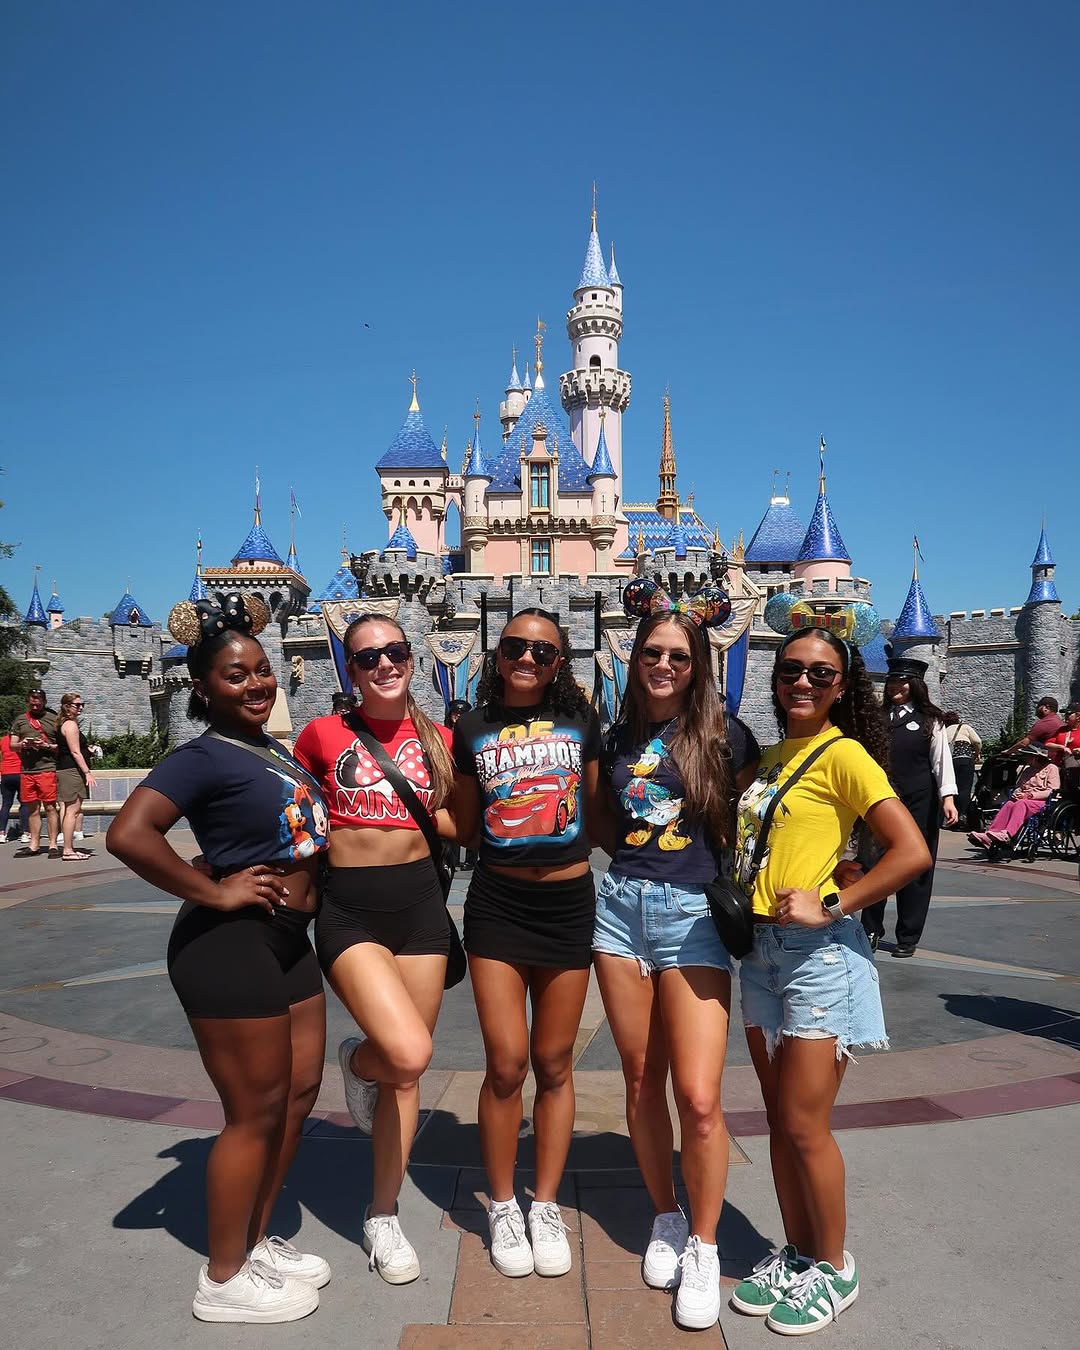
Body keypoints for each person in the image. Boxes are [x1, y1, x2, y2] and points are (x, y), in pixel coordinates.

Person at [107, 594, 330, 1324]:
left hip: (287, 940)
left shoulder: (269, 750)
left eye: (262, 670)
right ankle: (223, 1278)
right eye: (236, 676)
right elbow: (129, 834)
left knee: (297, 1096)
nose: (257, 684)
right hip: (231, 945)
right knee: (253, 1112)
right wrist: (215, 890)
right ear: (203, 689)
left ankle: (254, 1238)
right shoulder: (200, 755)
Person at [729, 626, 929, 1336]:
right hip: (761, 953)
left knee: (806, 1124)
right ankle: (799, 1250)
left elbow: (911, 850)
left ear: (843, 686)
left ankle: (835, 1266)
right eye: (792, 669)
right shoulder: (770, 757)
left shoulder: (843, 754)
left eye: (821, 673)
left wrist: (835, 901)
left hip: (819, 958)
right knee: (779, 1120)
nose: (803, 683)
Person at [591, 585, 760, 1331]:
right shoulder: (615, 737)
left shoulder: (725, 737)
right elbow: (602, 821)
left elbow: (753, 819)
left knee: (697, 1095)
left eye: (679, 658)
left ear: (698, 668)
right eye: (653, 654)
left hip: (693, 919)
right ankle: (666, 1213)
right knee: (640, 1077)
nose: (664, 665)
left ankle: (704, 1244)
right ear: (635, 660)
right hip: (620, 914)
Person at [292, 614, 456, 1287]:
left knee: (406, 1076)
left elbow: (462, 821)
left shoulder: (440, 738)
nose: (384, 664)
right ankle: (358, 1062)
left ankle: (382, 1212)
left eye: (395, 652)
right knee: (407, 1052)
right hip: (350, 912)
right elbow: (291, 813)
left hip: (421, 910)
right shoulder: (320, 735)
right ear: (350, 671)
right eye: (367, 657)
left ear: (411, 659)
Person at [450, 608, 601, 1281]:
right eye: (515, 647)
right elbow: (462, 820)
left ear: (559, 662)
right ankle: (504, 1204)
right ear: (497, 652)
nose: (528, 659)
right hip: (499, 904)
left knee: (555, 1061)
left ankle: (545, 1203)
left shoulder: (581, 722)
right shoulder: (472, 727)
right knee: (507, 1063)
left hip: (567, 905)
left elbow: (594, 811)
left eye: (543, 651)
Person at [860, 656, 957, 957]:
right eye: (892, 682)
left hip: (919, 801)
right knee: (873, 864)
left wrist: (948, 797)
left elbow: (941, 761)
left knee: (915, 867)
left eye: (902, 682)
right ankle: (870, 929)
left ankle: (908, 935)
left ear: (914, 685)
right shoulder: (877, 718)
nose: (895, 688)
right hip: (881, 800)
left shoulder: (931, 721)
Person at [968, 744, 1060, 850]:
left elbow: (1052, 790)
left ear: (1035, 757)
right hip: (1024, 799)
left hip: (1042, 802)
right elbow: (1018, 786)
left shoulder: (1051, 768)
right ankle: (991, 833)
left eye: (1028, 756)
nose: (1025, 758)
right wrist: (1017, 793)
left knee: (1021, 804)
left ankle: (1007, 834)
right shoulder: (1027, 771)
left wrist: (1029, 795)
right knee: (1009, 804)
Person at [10, 689, 60, 858]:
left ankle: (53, 845)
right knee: (32, 809)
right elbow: (12, 745)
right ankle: (34, 845)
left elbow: (62, 747)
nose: (35, 706)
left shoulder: (53, 719)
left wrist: (46, 746)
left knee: (50, 807)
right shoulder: (21, 720)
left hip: (47, 769)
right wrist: (23, 744)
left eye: (38, 703)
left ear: (44, 702)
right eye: (32, 703)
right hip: (27, 770)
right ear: (28, 702)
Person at [55, 694, 97, 861]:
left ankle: (68, 849)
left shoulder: (64, 723)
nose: (80, 708)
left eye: (82, 705)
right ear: (67, 706)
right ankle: (68, 850)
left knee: (71, 810)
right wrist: (87, 772)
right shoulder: (70, 724)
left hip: (67, 769)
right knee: (72, 811)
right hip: (72, 771)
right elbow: (75, 751)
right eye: (77, 705)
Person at [445, 700, 476, 872]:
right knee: (452, 819)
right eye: (455, 714)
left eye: (461, 715)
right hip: (450, 778)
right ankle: (453, 858)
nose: (457, 718)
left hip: (469, 778)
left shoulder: (472, 733)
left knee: (472, 817)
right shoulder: (446, 733)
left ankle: (471, 859)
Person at [943, 711, 981, 828]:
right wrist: (977, 753)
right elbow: (977, 741)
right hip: (965, 760)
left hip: (950, 761)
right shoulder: (964, 727)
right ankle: (963, 816)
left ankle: (950, 817)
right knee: (964, 788)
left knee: (951, 788)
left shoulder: (944, 731)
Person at [0, 731, 30, 843]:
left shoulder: (3, 740)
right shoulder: (22, 741)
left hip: (6, 773)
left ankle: (2, 833)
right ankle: (25, 833)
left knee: (6, 804)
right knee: (25, 803)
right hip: (20, 772)